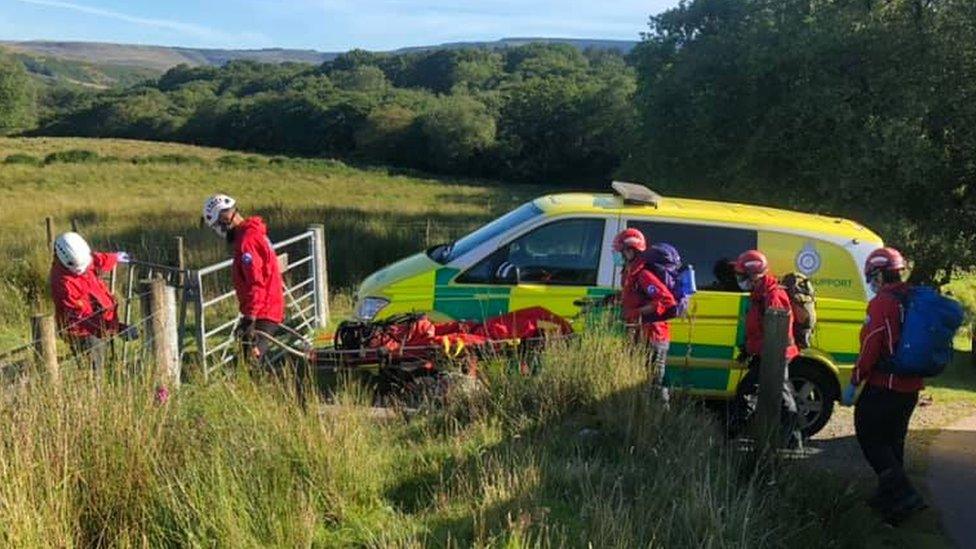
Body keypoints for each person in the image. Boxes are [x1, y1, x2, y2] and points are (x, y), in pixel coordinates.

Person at [848, 247, 926, 522]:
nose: (872, 282)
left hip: (885, 384)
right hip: (911, 386)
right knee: (893, 442)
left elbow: (872, 342)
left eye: (872, 277)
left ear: (880, 274)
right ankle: (890, 500)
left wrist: (857, 376)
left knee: (869, 435)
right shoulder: (914, 297)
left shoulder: (882, 302)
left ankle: (905, 495)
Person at [730, 250, 802, 447]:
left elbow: (778, 330)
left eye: (741, 275)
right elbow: (759, 328)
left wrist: (761, 351)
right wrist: (748, 348)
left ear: (754, 275)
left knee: (759, 393)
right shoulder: (759, 294)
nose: (738, 279)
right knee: (778, 394)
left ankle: (736, 434)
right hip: (766, 353)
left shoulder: (773, 295)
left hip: (775, 354)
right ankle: (790, 438)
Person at [202, 194, 285, 364]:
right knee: (248, 358)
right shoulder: (252, 233)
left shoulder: (248, 242)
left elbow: (256, 283)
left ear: (225, 218)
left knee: (251, 361)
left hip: (263, 310)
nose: (220, 233)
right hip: (264, 307)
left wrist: (249, 318)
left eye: (218, 227)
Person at [49, 232, 132, 370]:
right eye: (80, 268)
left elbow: (97, 259)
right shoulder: (63, 284)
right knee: (95, 370)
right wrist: (118, 329)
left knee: (108, 360)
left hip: (103, 322)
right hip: (84, 333)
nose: (84, 269)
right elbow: (81, 318)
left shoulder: (80, 258)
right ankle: (97, 390)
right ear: (66, 261)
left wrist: (115, 257)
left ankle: (109, 375)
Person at [613, 228, 677, 405]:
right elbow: (634, 297)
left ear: (630, 251)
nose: (616, 256)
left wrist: (634, 313)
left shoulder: (644, 274)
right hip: (641, 336)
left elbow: (665, 300)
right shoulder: (631, 272)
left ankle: (662, 422)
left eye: (619, 251)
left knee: (653, 384)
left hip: (654, 337)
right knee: (639, 383)